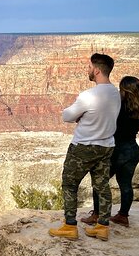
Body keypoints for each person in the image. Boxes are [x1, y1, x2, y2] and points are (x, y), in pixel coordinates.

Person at [49, 53, 121, 241]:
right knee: (102, 186)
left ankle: (70, 226)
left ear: (97, 70)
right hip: (106, 147)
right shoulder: (115, 93)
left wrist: (80, 116)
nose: (87, 70)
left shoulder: (89, 95)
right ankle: (102, 226)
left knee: (69, 184)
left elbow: (67, 116)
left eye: (89, 67)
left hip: (83, 147)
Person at [81, 76, 139, 228]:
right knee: (125, 185)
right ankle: (123, 216)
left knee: (99, 182)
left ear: (125, 90)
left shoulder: (118, 108)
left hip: (116, 151)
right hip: (132, 150)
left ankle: (97, 214)